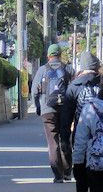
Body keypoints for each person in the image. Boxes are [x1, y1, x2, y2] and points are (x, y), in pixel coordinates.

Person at [62, 51, 101, 192]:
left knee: (80, 169)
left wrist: (64, 138)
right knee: (99, 169)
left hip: (80, 134)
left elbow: (67, 115)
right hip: (101, 134)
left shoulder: (73, 86)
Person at [29, 44, 72, 182]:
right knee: (65, 139)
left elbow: (34, 91)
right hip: (65, 109)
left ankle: (58, 175)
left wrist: (38, 107)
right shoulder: (68, 69)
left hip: (47, 110)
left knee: (53, 142)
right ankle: (67, 172)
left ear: (48, 56)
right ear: (60, 55)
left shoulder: (42, 70)